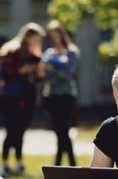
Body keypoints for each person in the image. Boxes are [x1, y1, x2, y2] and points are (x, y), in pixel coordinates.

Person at [0, 22, 45, 175]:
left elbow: (37, 80)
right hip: (10, 97)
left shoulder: (35, 57)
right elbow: (4, 72)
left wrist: (38, 72)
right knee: (11, 129)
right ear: (28, 37)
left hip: (27, 97)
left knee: (21, 130)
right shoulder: (12, 51)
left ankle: (18, 162)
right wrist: (22, 71)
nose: (37, 42)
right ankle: (4, 163)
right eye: (35, 39)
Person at [40, 20, 80, 166]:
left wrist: (54, 68)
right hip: (52, 96)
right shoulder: (49, 53)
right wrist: (56, 68)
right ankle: (67, 163)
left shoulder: (71, 52)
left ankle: (64, 163)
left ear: (61, 34)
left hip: (67, 95)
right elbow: (43, 72)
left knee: (63, 128)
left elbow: (69, 73)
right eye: (51, 36)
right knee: (59, 129)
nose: (54, 38)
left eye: (56, 34)